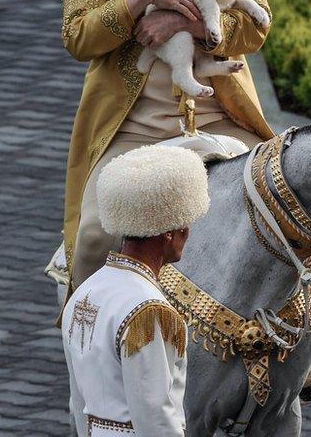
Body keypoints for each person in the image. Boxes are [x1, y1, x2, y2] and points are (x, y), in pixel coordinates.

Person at [58, 0, 274, 293]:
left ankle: (291, 357)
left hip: (222, 118)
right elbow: (77, 36)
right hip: (135, 128)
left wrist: (179, 20)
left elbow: (255, 28)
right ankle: (92, 339)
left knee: (287, 211)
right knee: (96, 233)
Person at [62, 144, 209, 436]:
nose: (188, 232)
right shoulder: (148, 309)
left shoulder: (84, 292)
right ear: (168, 231)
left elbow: (78, 402)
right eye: (185, 224)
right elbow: (156, 417)